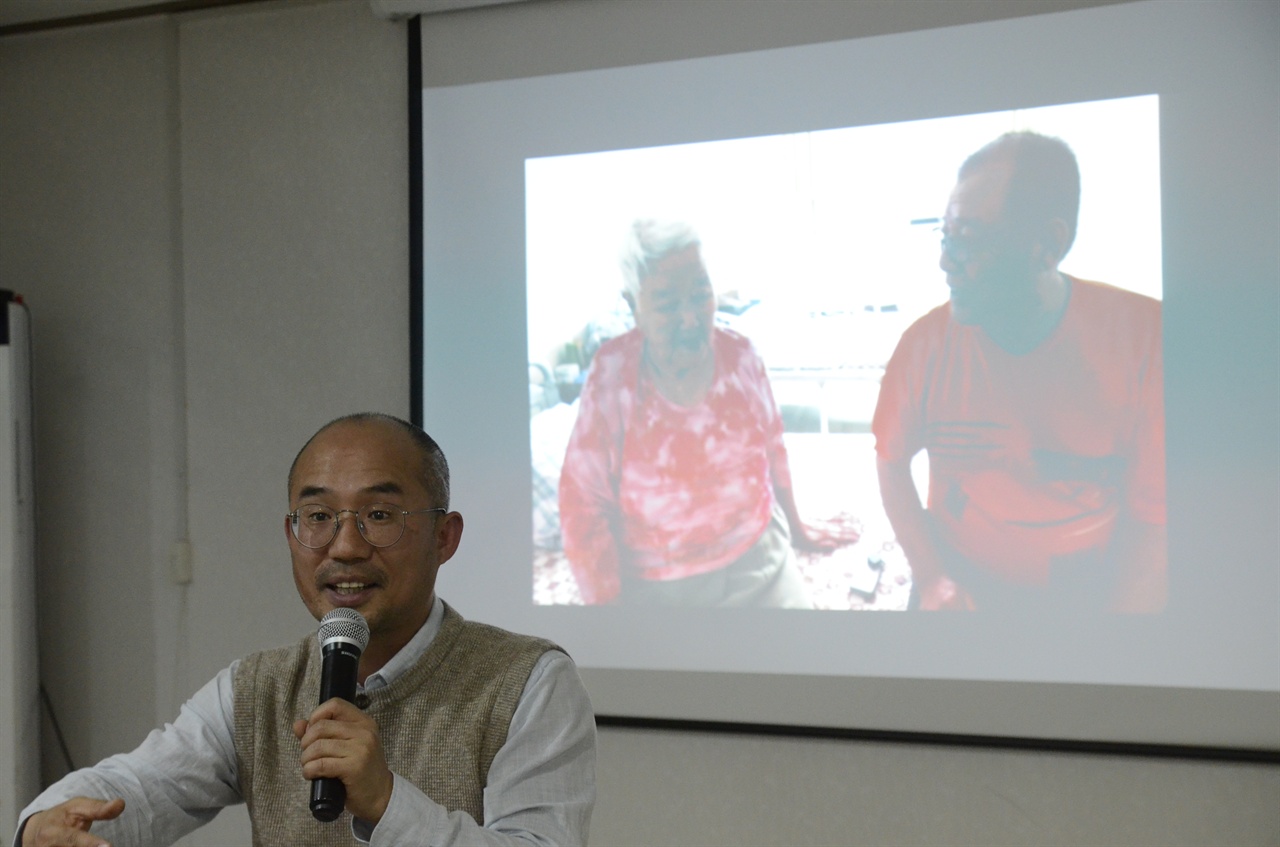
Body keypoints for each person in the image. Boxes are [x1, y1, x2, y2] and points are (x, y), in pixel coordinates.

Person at [17, 413, 596, 846]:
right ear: (292, 534)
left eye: (378, 515)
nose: (345, 547)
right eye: (318, 517)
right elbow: (141, 787)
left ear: (445, 537)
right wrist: (46, 822)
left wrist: (387, 802)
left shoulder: (528, 682)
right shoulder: (258, 687)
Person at [872, 131, 1166, 613]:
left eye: (968, 240)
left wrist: (1121, 645)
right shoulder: (924, 346)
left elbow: (1155, 522)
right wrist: (931, 578)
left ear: (1048, 244)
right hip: (958, 577)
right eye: (944, 236)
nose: (945, 261)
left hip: (1090, 590)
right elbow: (889, 461)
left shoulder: (1146, 339)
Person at [558, 218, 860, 607]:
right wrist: (611, 616)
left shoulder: (742, 356)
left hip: (759, 559)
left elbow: (773, 449)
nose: (690, 318)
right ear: (633, 305)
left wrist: (799, 529)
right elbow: (582, 508)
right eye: (667, 303)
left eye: (701, 293)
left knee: (811, 660)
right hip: (658, 585)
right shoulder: (612, 374)